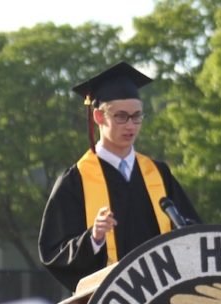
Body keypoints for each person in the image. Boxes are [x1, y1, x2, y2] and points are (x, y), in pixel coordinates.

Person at [38, 62, 200, 292]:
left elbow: (192, 234)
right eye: (121, 117)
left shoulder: (158, 174)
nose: (131, 125)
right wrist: (94, 239)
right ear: (98, 116)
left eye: (137, 116)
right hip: (108, 301)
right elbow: (54, 252)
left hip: (161, 296)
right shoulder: (76, 181)